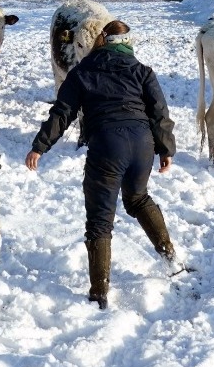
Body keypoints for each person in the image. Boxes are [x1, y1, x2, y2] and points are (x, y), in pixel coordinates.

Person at [25, 19, 177, 308]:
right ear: (128, 42)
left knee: (99, 220)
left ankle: (99, 293)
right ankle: (170, 256)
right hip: (142, 144)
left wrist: (40, 146)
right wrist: (165, 148)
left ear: (102, 40)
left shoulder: (83, 71)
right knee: (138, 198)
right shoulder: (142, 71)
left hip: (108, 145)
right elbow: (159, 111)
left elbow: (62, 112)